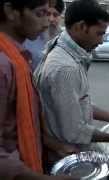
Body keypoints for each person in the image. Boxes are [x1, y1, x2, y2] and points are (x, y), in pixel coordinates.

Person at [35, 0, 109, 165]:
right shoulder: (66, 68)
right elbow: (73, 130)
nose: (101, 41)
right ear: (81, 27)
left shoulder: (62, 47)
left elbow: (79, 103)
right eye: (99, 33)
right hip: (68, 157)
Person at [0, 0, 76, 179]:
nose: (47, 21)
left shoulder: (19, 56)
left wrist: (53, 144)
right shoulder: (3, 64)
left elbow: (19, 120)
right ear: (11, 12)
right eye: (40, 14)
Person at [23, 0, 65, 71]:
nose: (51, 19)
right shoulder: (30, 37)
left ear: (60, 16)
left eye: (55, 15)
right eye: (48, 14)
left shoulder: (64, 39)